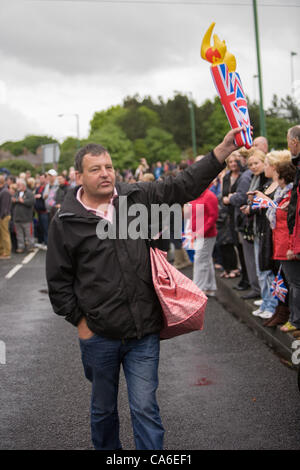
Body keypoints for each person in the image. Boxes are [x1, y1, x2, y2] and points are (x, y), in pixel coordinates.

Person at [46, 127, 246, 451]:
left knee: (145, 409)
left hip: (143, 333)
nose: (105, 173)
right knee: (103, 412)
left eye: (108, 166)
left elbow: (180, 185)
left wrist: (220, 153)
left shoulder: (135, 198)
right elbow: (58, 281)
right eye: (95, 169)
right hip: (99, 336)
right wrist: (82, 324)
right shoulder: (66, 221)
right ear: (78, 175)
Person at [191, 188, 218, 296]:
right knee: (206, 260)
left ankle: (198, 290)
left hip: (206, 234)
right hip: (199, 233)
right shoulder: (196, 194)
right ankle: (209, 287)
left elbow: (213, 216)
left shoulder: (209, 196)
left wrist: (201, 231)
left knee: (200, 260)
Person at [12, 178, 35, 253]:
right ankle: (21, 247)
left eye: (19, 185)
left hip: (27, 218)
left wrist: (23, 201)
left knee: (29, 234)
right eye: (17, 184)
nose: (18, 186)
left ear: (23, 185)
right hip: (17, 218)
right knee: (19, 235)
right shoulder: (16, 192)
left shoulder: (29, 193)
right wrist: (15, 200)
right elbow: (13, 199)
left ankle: (30, 246)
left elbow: (32, 202)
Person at [0, 175, 12, 259]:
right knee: (1, 235)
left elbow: (4, 207)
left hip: (4, 216)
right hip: (2, 216)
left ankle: (7, 253)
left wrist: (1, 217)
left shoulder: (5, 192)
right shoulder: (2, 190)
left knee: (5, 235)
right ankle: (2, 251)